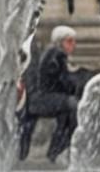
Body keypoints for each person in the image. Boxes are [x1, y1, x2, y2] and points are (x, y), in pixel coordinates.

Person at [23, 25, 92, 162]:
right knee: (74, 106)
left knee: (67, 109)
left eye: (74, 41)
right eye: (69, 41)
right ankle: (61, 148)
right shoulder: (56, 54)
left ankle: (57, 149)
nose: (73, 45)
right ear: (60, 42)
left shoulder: (54, 54)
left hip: (47, 97)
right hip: (42, 99)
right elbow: (62, 80)